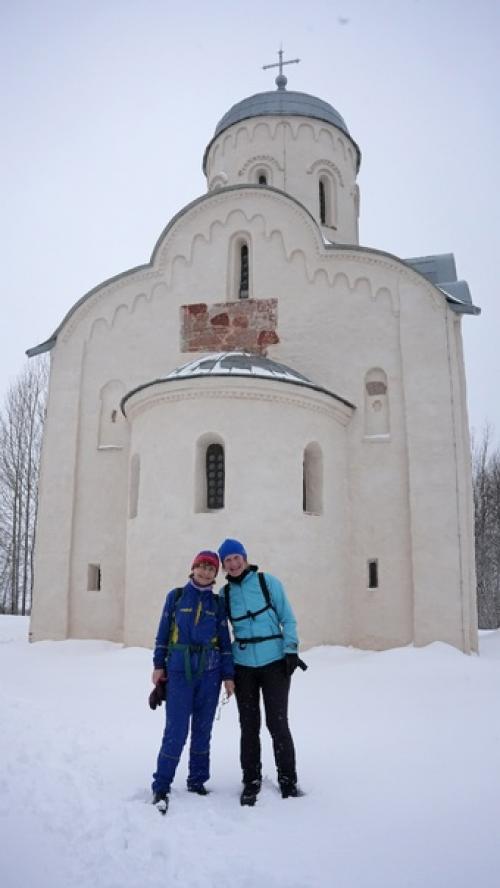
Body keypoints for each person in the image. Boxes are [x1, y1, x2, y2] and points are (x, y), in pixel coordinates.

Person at [218, 538, 302, 806]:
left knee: (277, 723)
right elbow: (220, 634)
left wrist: (290, 649)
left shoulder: (268, 583)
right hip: (244, 667)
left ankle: (288, 780)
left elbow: (287, 617)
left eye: (235, 558)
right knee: (249, 725)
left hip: (275, 662)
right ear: (223, 566)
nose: (232, 564)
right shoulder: (225, 595)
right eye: (227, 560)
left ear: (244, 557)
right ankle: (251, 780)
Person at [151, 550, 235, 813]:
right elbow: (163, 633)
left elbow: (224, 641)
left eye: (211, 569)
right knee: (176, 731)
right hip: (178, 671)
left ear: (215, 574)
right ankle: (161, 785)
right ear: (193, 568)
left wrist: (228, 675)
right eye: (201, 567)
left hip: (209, 672)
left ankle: (197, 781)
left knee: (202, 730)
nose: (205, 572)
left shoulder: (217, 604)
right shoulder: (176, 597)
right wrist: (157, 665)